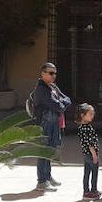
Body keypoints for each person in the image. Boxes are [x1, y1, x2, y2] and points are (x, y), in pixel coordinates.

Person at [29, 62, 70, 192]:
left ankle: (48, 176)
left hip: (54, 123)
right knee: (43, 151)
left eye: (55, 73)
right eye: (51, 73)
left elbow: (67, 99)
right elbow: (57, 105)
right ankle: (41, 181)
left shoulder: (53, 87)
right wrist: (61, 104)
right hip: (44, 125)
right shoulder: (41, 89)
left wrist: (61, 103)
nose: (54, 76)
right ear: (43, 74)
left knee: (51, 150)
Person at [76, 104, 100, 199]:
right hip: (90, 154)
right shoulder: (86, 128)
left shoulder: (82, 127)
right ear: (82, 115)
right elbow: (90, 143)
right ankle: (93, 190)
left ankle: (86, 191)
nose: (92, 116)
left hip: (86, 154)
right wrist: (94, 155)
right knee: (94, 172)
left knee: (87, 172)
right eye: (90, 114)